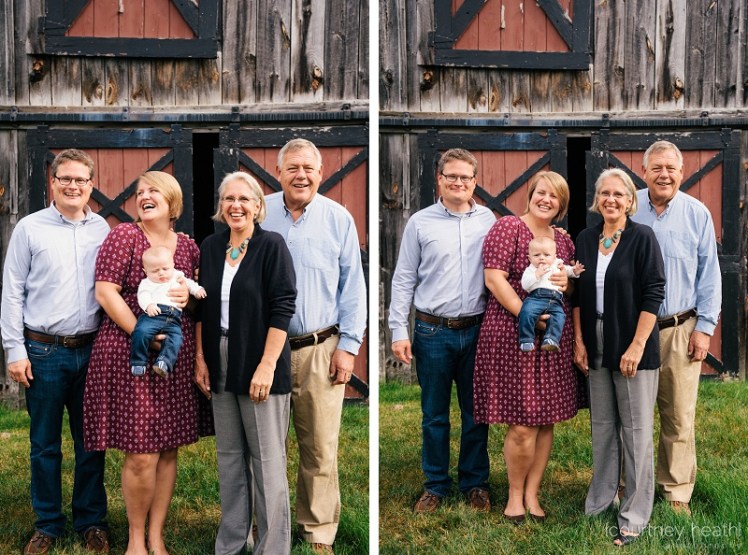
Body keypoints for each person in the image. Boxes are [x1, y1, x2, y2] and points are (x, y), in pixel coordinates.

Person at [83, 171, 213, 555]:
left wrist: (188, 308)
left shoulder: (188, 247)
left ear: (172, 200)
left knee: (168, 448)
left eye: (153, 190)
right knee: (141, 452)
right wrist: (143, 330)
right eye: (139, 192)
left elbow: (196, 306)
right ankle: (136, 539)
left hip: (174, 357)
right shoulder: (124, 236)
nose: (144, 196)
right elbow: (106, 292)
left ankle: (157, 536)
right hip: (130, 353)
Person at [1, 149, 110, 554]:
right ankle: (47, 523)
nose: (73, 186)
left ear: (91, 185)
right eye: (65, 178)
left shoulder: (103, 229)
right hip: (44, 352)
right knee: (44, 444)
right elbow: (12, 291)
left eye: (81, 180)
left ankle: (91, 521)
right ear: (53, 183)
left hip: (92, 351)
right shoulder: (30, 229)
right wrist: (15, 350)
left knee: (91, 443)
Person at [262, 138, 366, 555]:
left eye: (308, 168)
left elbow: (352, 286)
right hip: (264, 350)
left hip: (320, 346)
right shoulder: (258, 211)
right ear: (279, 172)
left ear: (321, 174)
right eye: (292, 168)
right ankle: (264, 525)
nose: (300, 175)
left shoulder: (338, 218)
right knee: (265, 446)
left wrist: (349, 345)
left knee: (320, 445)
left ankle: (318, 530)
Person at [193, 171, 296, 555]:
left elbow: (283, 307)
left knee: (267, 459)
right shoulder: (211, 245)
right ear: (222, 206)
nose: (236, 205)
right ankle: (233, 542)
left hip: (259, 355)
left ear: (258, 205)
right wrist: (200, 357)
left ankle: (272, 547)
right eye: (229, 199)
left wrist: (267, 365)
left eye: (244, 199)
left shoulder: (272, 246)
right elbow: (200, 306)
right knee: (230, 457)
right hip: (218, 355)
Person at [389, 148, 495, 514]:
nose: (459, 182)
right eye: (451, 176)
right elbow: (403, 279)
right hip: (433, 331)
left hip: (477, 329)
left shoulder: (488, 219)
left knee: (475, 412)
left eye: (465, 177)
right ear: (439, 179)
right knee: (434, 414)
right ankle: (435, 485)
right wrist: (398, 330)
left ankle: (474, 482)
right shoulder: (420, 222)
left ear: (475, 181)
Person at [473, 170, 582, 524]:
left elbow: (568, 288)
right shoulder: (507, 228)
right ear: (530, 194)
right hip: (512, 334)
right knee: (522, 422)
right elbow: (494, 279)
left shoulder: (563, 242)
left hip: (553, 340)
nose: (546, 200)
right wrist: (528, 318)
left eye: (554, 196)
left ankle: (533, 493)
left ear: (561, 204)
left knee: (546, 419)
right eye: (541, 193)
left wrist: (566, 285)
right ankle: (514, 496)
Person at [572, 168, 666, 546]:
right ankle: (600, 500)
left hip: (631, 339)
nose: (611, 199)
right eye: (604, 193)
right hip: (593, 338)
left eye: (619, 194)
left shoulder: (642, 238)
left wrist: (637, 345)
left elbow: (654, 292)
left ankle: (635, 513)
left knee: (637, 430)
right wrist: (579, 340)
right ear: (597, 200)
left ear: (631, 200)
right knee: (604, 427)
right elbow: (576, 294)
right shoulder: (585, 238)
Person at [631, 140, 721, 516]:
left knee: (678, 413)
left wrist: (704, 327)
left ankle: (676, 490)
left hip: (679, 328)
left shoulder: (697, 213)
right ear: (644, 171)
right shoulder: (628, 206)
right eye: (657, 168)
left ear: (681, 173)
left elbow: (709, 274)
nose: (664, 175)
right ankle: (629, 484)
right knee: (633, 414)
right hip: (633, 330)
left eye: (671, 168)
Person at [131, 245, 207, 377]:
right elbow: (143, 295)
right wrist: (148, 305)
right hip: (154, 315)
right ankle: (138, 361)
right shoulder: (147, 283)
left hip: (174, 318)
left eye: (165, 268)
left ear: (173, 264)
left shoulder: (177, 275)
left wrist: (197, 290)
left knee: (176, 339)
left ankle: (164, 362)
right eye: (155, 271)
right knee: (141, 332)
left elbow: (189, 284)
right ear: (145, 271)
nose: (161, 273)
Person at [518, 236, 584, 352]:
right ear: (529, 258)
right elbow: (525, 284)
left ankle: (551, 340)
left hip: (555, 300)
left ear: (554, 256)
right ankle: (526, 339)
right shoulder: (532, 269)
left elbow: (568, 271)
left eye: (546, 255)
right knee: (526, 312)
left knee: (559, 317)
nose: (541, 258)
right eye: (536, 255)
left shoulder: (557, 264)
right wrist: (536, 275)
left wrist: (575, 271)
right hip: (536, 298)